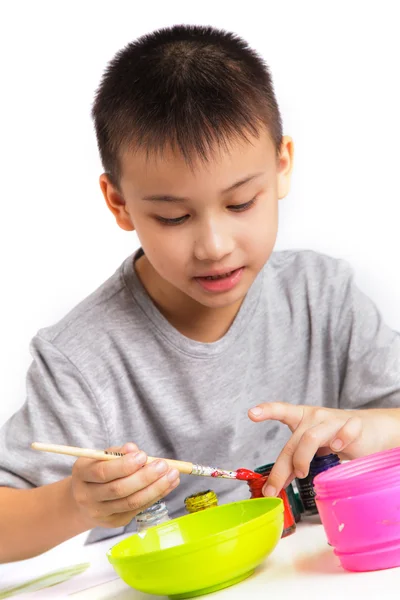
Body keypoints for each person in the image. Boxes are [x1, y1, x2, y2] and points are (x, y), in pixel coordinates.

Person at [0, 24, 399, 563]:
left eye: (240, 204)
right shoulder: (81, 358)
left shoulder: (320, 297)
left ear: (281, 165)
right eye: (173, 216)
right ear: (118, 203)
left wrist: (366, 429)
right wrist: (76, 502)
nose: (213, 246)